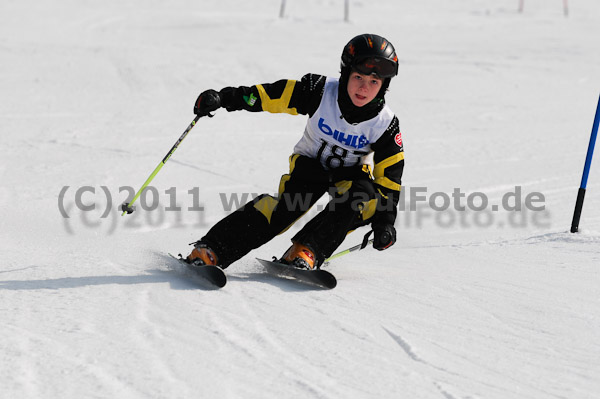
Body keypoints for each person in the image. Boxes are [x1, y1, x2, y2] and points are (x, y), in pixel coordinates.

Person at [186, 33, 404, 270]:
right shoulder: (319, 92)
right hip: (310, 166)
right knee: (284, 212)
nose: (364, 88)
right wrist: (224, 98)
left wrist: (385, 224)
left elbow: (390, 180)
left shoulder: (385, 124)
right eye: (358, 77)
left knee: (365, 199)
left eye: (374, 82)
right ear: (346, 74)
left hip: (349, 176)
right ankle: (212, 250)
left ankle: (306, 251)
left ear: (384, 86)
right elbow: (270, 96)